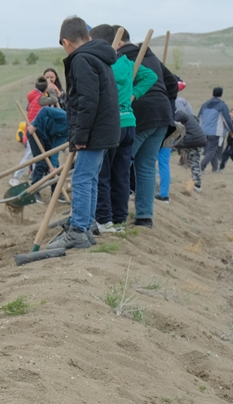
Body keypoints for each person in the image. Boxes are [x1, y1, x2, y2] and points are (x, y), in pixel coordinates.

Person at [47, 16, 120, 250]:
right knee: (89, 178)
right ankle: (85, 225)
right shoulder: (97, 56)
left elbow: (89, 100)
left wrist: (80, 135)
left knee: (81, 179)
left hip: (93, 131)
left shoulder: (82, 59)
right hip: (102, 129)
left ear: (66, 42)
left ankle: (78, 229)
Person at [90, 25, 158, 232]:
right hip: (129, 123)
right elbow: (150, 76)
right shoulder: (127, 63)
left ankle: (103, 219)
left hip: (111, 125)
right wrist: (133, 95)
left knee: (103, 174)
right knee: (121, 174)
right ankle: (119, 219)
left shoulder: (103, 64)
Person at [114, 25, 174, 228]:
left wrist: (134, 97)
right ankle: (144, 217)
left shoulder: (119, 58)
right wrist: (167, 106)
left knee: (120, 164)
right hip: (162, 115)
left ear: (119, 42)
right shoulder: (151, 56)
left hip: (139, 116)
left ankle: (115, 214)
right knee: (147, 166)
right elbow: (172, 83)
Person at [27, 94, 69, 185]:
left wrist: (53, 166)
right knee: (41, 162)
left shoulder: (69, 132)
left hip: (46, 136)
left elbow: (55, 147)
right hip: (36, 131)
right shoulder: (65, 116)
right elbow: (45, 110)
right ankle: (34, 190)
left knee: (55, 166)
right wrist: (34, 125)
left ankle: (56, 193)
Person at [199, 87, 233, 173]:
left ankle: (215, 168)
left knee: (210, 150)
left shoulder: (205, 104)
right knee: (211, 150)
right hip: (215, 132)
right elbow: (227, 119)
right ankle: (201, 167)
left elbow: (199, 117)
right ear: (221, 94)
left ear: (212, 93)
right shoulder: (222, 105)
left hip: (203, 131)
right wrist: (232, 130)